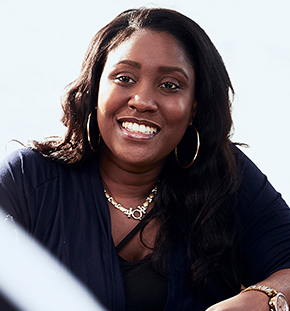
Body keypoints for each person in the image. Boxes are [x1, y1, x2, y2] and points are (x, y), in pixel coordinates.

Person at [0, 7, 290, 311]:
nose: (142, 101)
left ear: (194, 107)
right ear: (96, 87)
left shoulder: (225, 177)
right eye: (124, 78)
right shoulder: (27, 182)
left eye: (169, 85)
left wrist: (260, 297)